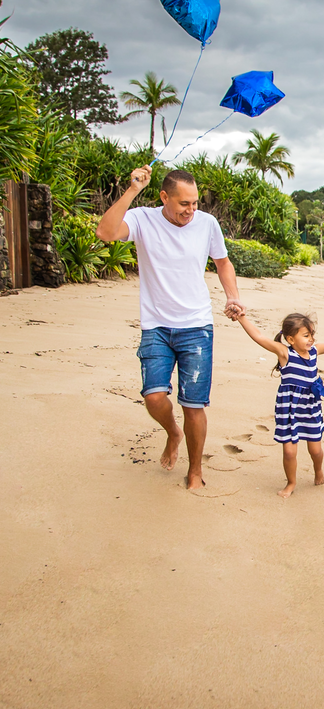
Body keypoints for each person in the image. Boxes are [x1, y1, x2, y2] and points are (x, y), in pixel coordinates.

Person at [96, 164, 244, 490]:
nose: (191, 210)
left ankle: (194, 471)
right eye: (183, 204)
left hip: (197, 326)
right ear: (164, 197)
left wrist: (232, 296)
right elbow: (105, 233)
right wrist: (132, 189)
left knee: (193, 406)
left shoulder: (207, 224)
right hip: (156, 326)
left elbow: (222, 262)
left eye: (195, 203)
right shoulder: (142, 219)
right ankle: (172, 432)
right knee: (153, 397)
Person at [230, 309, 324, 497]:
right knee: (290, 452)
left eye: (312, 335)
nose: (311, 339)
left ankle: (319, 471)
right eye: (306, 335)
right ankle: (291, 483)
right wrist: (241, 318)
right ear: (291, 339)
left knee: (315, 450)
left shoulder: (315, 352)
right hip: (289, 409)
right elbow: (259, 337)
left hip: (310, 408)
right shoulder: (285, 353)